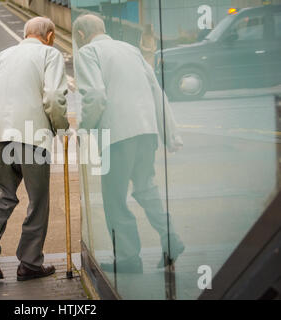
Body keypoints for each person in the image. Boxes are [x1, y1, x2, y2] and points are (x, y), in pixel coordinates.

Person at [73, 14, 185, 273]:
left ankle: (128, 259)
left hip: (117, 136)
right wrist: (171, 134)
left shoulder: (88, 53)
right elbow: (156, 90)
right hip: (146, 131)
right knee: (146, 188)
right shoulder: (131, 50)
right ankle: (172, 239)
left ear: (80, 35)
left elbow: (95, 95)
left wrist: (84, 129)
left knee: (114, 199)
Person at [0, 17, 69, 281]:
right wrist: (62, 127)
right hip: (33, 138)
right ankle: (29, 264)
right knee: (38, 201)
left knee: (2, 194)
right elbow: (54, 97)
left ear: (25, 34)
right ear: (51, 35)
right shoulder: (50, 54)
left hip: (0, 138)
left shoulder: (2, 56)